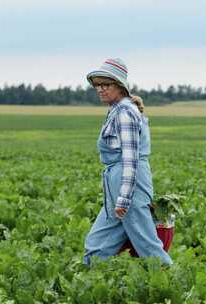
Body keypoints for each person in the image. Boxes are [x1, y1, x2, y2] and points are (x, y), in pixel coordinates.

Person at [83, 58, 173, 266]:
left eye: (106, 84)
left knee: (146, 244)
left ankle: (173, 283)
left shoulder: (124, 113)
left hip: (128, 182)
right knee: (96, 246)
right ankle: (94, 279)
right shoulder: (117, 109)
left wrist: (124, 198)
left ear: (120, 86)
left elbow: (130, 158)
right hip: (118, 181)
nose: (100, 89)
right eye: (97, 85)